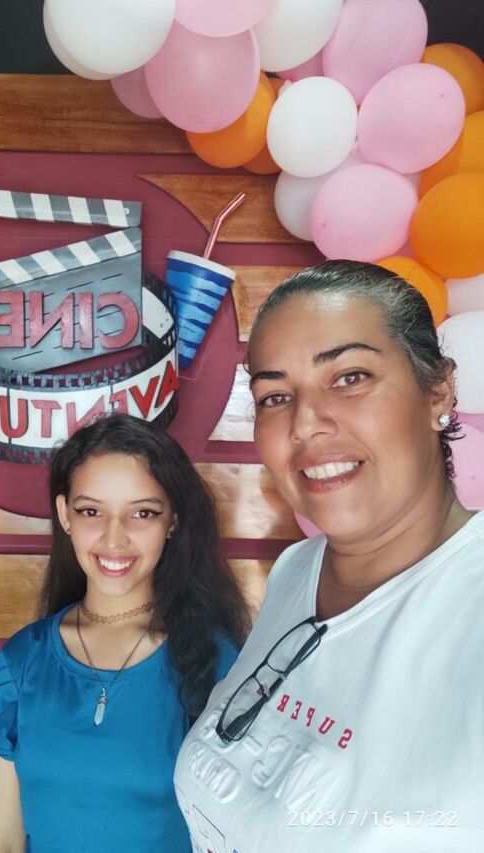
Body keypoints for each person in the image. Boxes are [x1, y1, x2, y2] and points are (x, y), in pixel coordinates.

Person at [174, 260, 484, 853]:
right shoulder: (298, 570)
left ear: (438, 389)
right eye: (275, 396)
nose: (306, 424)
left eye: (350, 377)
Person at [0, 413, 250, 853]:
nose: (114, 538)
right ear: (64, 515)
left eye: (142, 513)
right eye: (91, 511)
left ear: (173, 521)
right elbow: (1, 843)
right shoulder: (22, 663)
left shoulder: (217, 662)